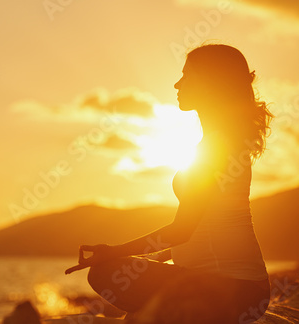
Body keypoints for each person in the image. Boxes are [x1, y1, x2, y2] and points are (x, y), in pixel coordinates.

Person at [65, 44, 274, 324]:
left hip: (235, 290)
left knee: (105, 273)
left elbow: (182, 229)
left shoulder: (218, 147)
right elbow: (203, 230)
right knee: (117, 275)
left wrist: (113, 251)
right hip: (240, 288)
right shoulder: (220, 142)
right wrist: (156, 259)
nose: (177, 84)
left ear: (210, 84)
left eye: (187, 76)